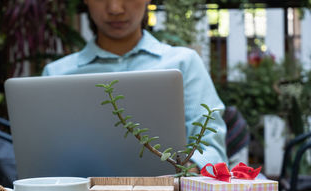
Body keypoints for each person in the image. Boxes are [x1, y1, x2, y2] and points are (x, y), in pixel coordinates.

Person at [42, 0, 228, 171]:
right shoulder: (56, 74)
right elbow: (45, 155)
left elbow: (212, 148)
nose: (115, 8)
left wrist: (189, 170)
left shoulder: (184, 63)